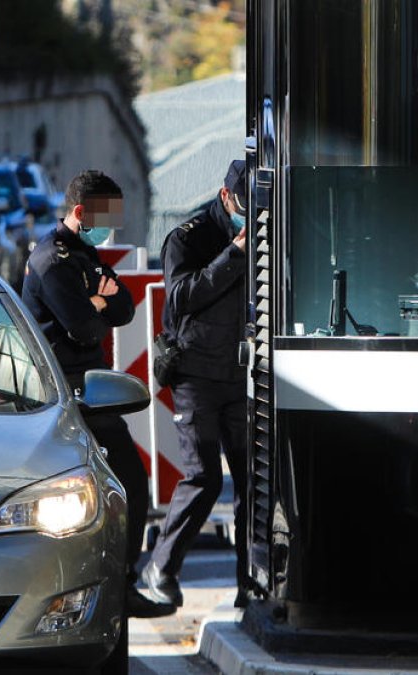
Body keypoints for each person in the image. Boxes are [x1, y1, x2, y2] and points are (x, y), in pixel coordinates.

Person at [22, 169, 175, 619]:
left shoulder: (84, 254)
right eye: (105, 215)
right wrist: (96, 302)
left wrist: (98, 300)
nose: (112, 226)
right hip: (63, 395)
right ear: (80, 212)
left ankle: (121, 581)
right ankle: (90, 586)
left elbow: (125, 308)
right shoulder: (51, 260)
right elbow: (84, 326)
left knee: (130, 484)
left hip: (94, 390)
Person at [141, 159, 251, 608]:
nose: (252, 216)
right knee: (203, 476)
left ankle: (252, 582)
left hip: (240, 372)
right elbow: (182, 296)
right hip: (196, 374)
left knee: (253, 482)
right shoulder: (188, 237)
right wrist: (235, 255)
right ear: (226, 197)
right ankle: (161, 567)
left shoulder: (266, 229)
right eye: (245, 206)